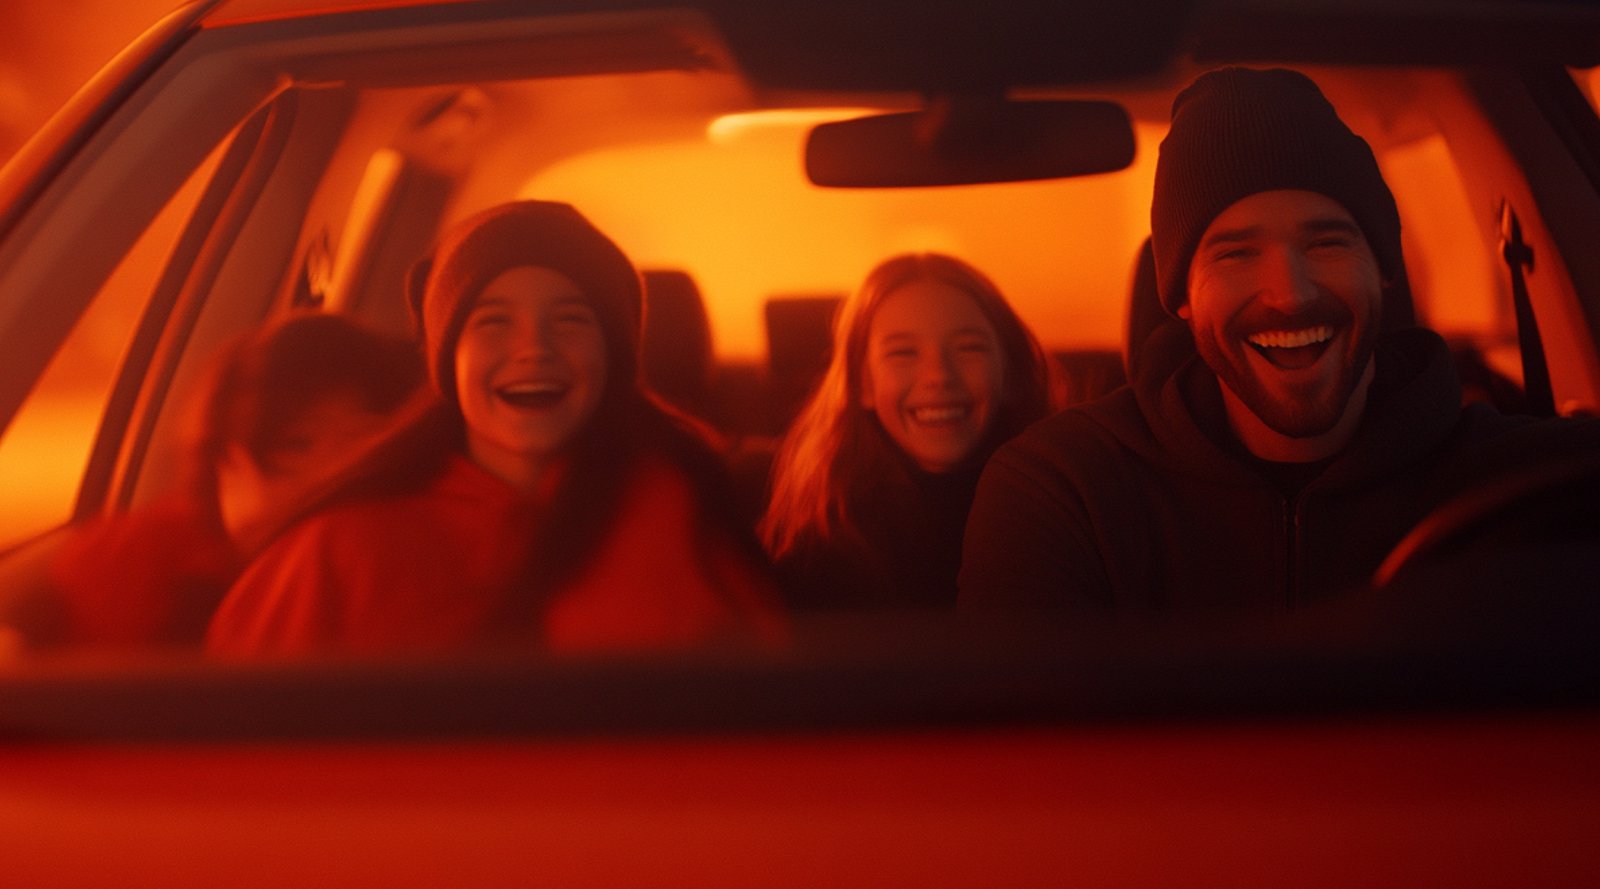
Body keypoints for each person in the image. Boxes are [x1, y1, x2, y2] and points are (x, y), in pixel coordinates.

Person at [959, 67, 1599, 615]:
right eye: (1236, 255)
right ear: (1181, 297)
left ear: (1382, 267)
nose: (1289, 294)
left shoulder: (1535, 488)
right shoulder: (1065, 493)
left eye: (1326, 243)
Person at [206, 200, 781, 655]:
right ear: (445, 361)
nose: (534, 348)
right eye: (493, 322)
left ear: (616, 357)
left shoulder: (686, 502)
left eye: (572, 320)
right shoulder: (338, 551)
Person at [46, 312, 422, 648]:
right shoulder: (132, 567)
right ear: (225, 465)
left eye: (356, 440)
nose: (329, 469)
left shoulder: (403, 564)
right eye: (297, 446)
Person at [761, 253, 1053, 609]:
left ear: (1012, 373)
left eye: (968, 348)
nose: (938, 375)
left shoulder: (1065, 517)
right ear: (862, 384)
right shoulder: (821, 550)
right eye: (903, 353)